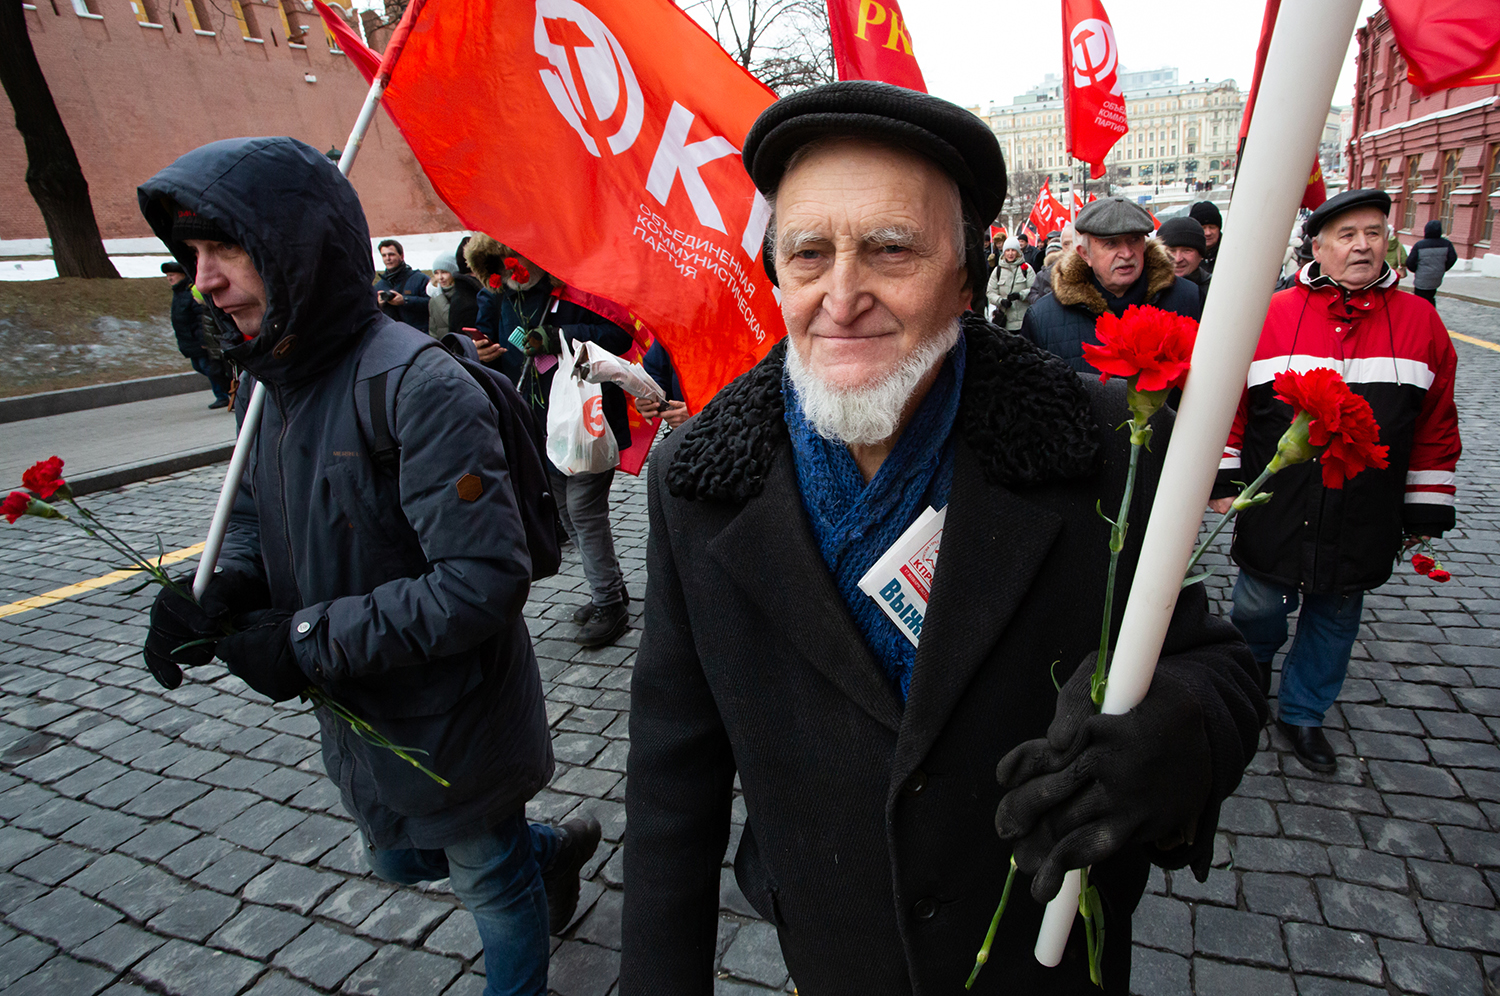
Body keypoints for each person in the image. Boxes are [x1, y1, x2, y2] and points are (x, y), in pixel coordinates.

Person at [619, 81, 1263, 996]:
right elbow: (670, 782)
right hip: (836, 957)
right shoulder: (697, 479)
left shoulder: (1102, 444)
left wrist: (1178, 732)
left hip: (1040, 964)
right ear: (776, 273)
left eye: (891, 249)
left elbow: (1214, 661)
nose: (842, 297)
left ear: (968, 276)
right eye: (808, 253)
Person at [136, 137, 600, 996]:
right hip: (361, 707)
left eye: (226, 248)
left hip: (453, 709)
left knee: (490, 884)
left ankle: (527, 877)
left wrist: (305, 641)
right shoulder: (265, 378)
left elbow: (479, 582)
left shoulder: (419, 386)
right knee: (399, 858)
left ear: (295, 249)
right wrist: (224, 585)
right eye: (192, 253)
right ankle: (551, 847)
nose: (203, 278)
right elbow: (249, 513)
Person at [1210, 189, 1461, 773]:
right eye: (1347, 235)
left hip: (1363, 507)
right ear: (1317, 247)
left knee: (1336, 617)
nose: (1362, 246)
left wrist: (1425, 505)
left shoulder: (1420, 321)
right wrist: (1225, 479)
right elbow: (1230, 408)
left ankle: (1303, 714)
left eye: (1373, 233)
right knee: (1256, 607)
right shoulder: (1270, 314)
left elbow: (1435, 422)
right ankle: (1249, 687)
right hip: (1279, 503)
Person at [465, 234, 635, 647]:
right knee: (565, 509)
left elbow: (618, 336)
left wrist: (555, 334)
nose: (509, 274)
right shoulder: (504, 299)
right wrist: (480, 349)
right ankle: (608, 587)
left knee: (583, 509)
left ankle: (610, 602)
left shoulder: (575, 288)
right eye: (500, 269)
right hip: (540, 421)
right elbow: (496, 344)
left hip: (587, 419)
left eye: (513, 264)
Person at [1021, 197, 1201, 373]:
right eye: (1111, 243)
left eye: (1134, 239)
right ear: (1085, 254)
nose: (1127, 253)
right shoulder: (1042, 319)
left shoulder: (1188, 297)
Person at [163, 260, 231, 408]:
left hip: (200, 339)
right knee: (200, 366)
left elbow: (202, 318)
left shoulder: (190, 292)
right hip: (188, 339)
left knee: (211, 368)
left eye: (172, 275)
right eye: (167, 275)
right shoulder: (179, 292)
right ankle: (225, 392)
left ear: (182, 275)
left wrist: (204, 340)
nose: (169, 278)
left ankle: (224, 394)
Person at [374, 238, 431, 332]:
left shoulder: (420, 279)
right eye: (384, 255)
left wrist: (405, 300)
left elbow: (431, 304)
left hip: (418, 335)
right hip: (392, 336)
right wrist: (378, 305)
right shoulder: (379, 286)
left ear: (401, 256)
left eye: (391, 254)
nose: (388, 258)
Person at [1156, 216, 1212, 309]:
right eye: (1171, 250)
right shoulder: (1148, 291)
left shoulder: (1215, 290)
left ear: (1200, 255)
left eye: (1187, 250)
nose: (1178, 259)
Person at [427, 253, 482, 341]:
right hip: (444, 348)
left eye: (444, 272)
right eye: (436, 273)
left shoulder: (462, 294)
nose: (440, 277)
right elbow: (433, 330)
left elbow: (450, 319)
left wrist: (439, 297)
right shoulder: (434, 297)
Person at [637, 340, 690, 429]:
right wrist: (648, 396)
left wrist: (702, 414)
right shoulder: (674, 328)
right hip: (682, 431)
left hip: (716, 427)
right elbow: (658, 372)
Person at [985, 235, 1034, 331]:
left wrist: (1020, 295)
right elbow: (990, 292)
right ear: (1004, 252)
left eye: (1013, 250)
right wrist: (1000, 301)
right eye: (1007, 250)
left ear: (1018, 252)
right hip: (1005, 323)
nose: (1010, 253)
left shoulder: (1027, 269)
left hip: (1023, 322)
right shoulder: (997, 270)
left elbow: (1034, 289)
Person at [1406, 219, 1458, 305]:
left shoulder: (1420, 245)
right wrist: (1442, 268)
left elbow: (1410, 262)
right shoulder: (1446, 244)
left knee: (1419, 300)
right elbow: (1453, 258)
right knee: (1430, 297)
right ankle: (1431, 314)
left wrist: (1417, 270)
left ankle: (1421, 316)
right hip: (1436, 278)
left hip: (1422, 278)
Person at [1025, 221, 1075, 306]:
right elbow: (1032, 294)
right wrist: (1042, 301)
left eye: (1073, 242)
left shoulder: (1088, 269)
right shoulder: (1043, 274)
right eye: (1066, 244)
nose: (1070, 247)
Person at [1189, 201, 1222, 272]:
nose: (1208, 233)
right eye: (1203, 228)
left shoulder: (1231, 252)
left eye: (1212, 227)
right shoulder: (1183, 258)